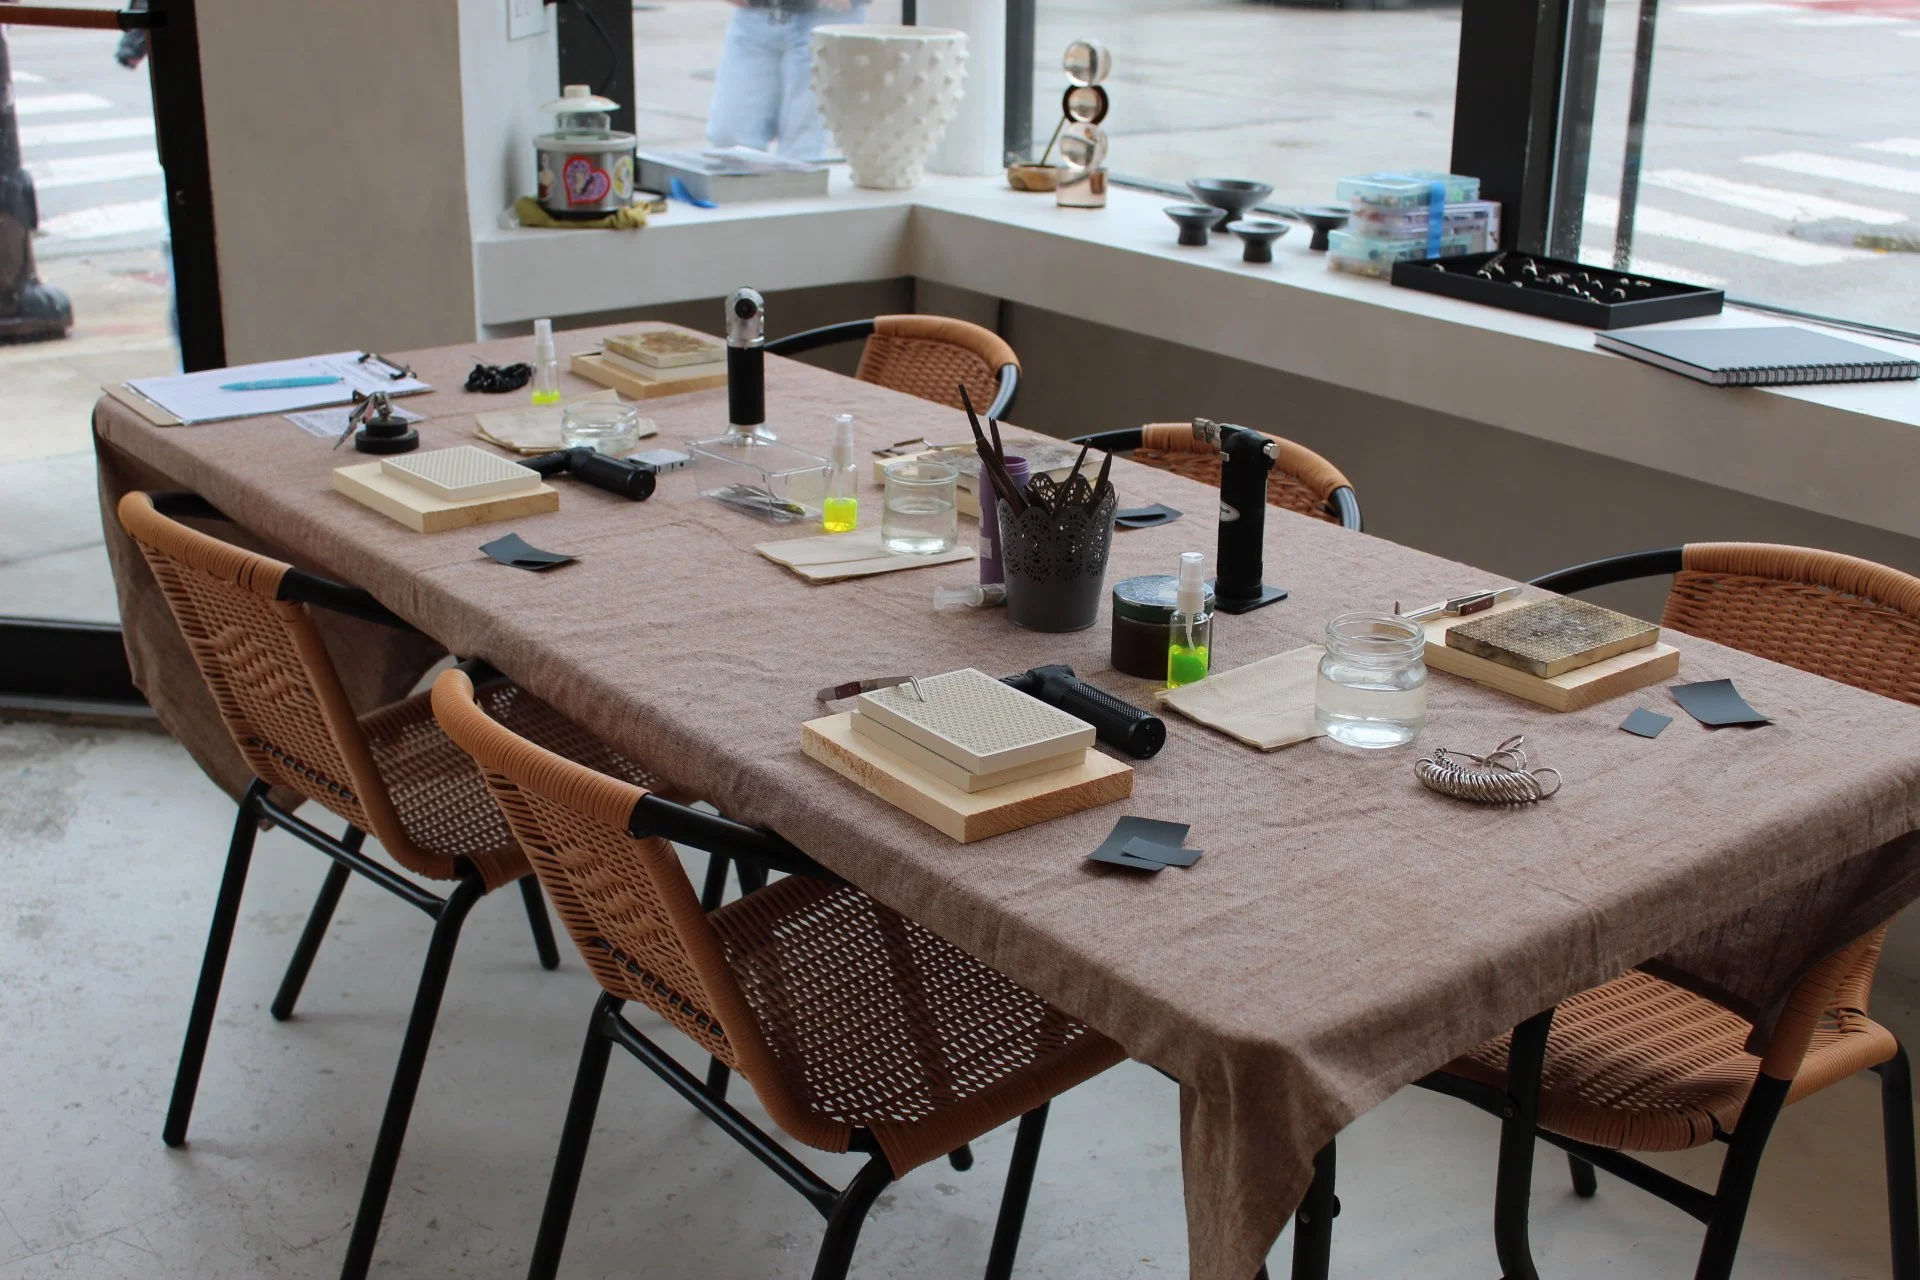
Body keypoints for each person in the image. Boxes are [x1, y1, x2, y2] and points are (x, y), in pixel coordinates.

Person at [706, 0, 868, 163]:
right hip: (756, 17)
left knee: (802, 148)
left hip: (828, 16)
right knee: (730, 140)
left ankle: (794, 186)